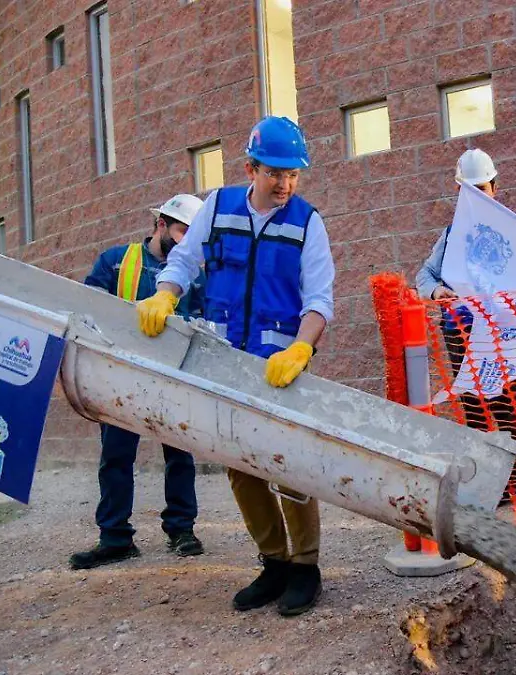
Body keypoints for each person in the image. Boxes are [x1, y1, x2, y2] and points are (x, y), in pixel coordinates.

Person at [138, 116, 336, 617]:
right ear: (250, 168)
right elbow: (183, 262)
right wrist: (165, 295)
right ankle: (273, 563)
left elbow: (319, 302)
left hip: (281, 367)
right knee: (241, 466)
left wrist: (302, 349)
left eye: (293, 174)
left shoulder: (308, 223)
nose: (286, 183)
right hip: (225, 362)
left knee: (289, 464)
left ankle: (305, 567)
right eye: (275, 173)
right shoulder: (218, 208)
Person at [70, 194, 207, 570]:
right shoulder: (116, 262)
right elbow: (88, 305)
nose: (185, 241)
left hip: (173, 377)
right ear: (160, 224)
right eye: (181, 231)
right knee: (115, 456)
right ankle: (114, 538)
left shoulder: (195, 271)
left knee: (180, 453)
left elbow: (206, 320)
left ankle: (182, 530)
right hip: (121, 376)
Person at [414, 148, 516, 511]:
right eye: (469, 189)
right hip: (462, 333)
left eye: (482, 188)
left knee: (507, 409)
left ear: (494, 188)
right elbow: (424, 275)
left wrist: (514, 310)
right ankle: (490, 490)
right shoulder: (451, 235)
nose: (477, 196)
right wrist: (437, 291)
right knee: (474, 411)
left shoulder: (514, 235)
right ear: (459, 191)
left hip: (498, 335)